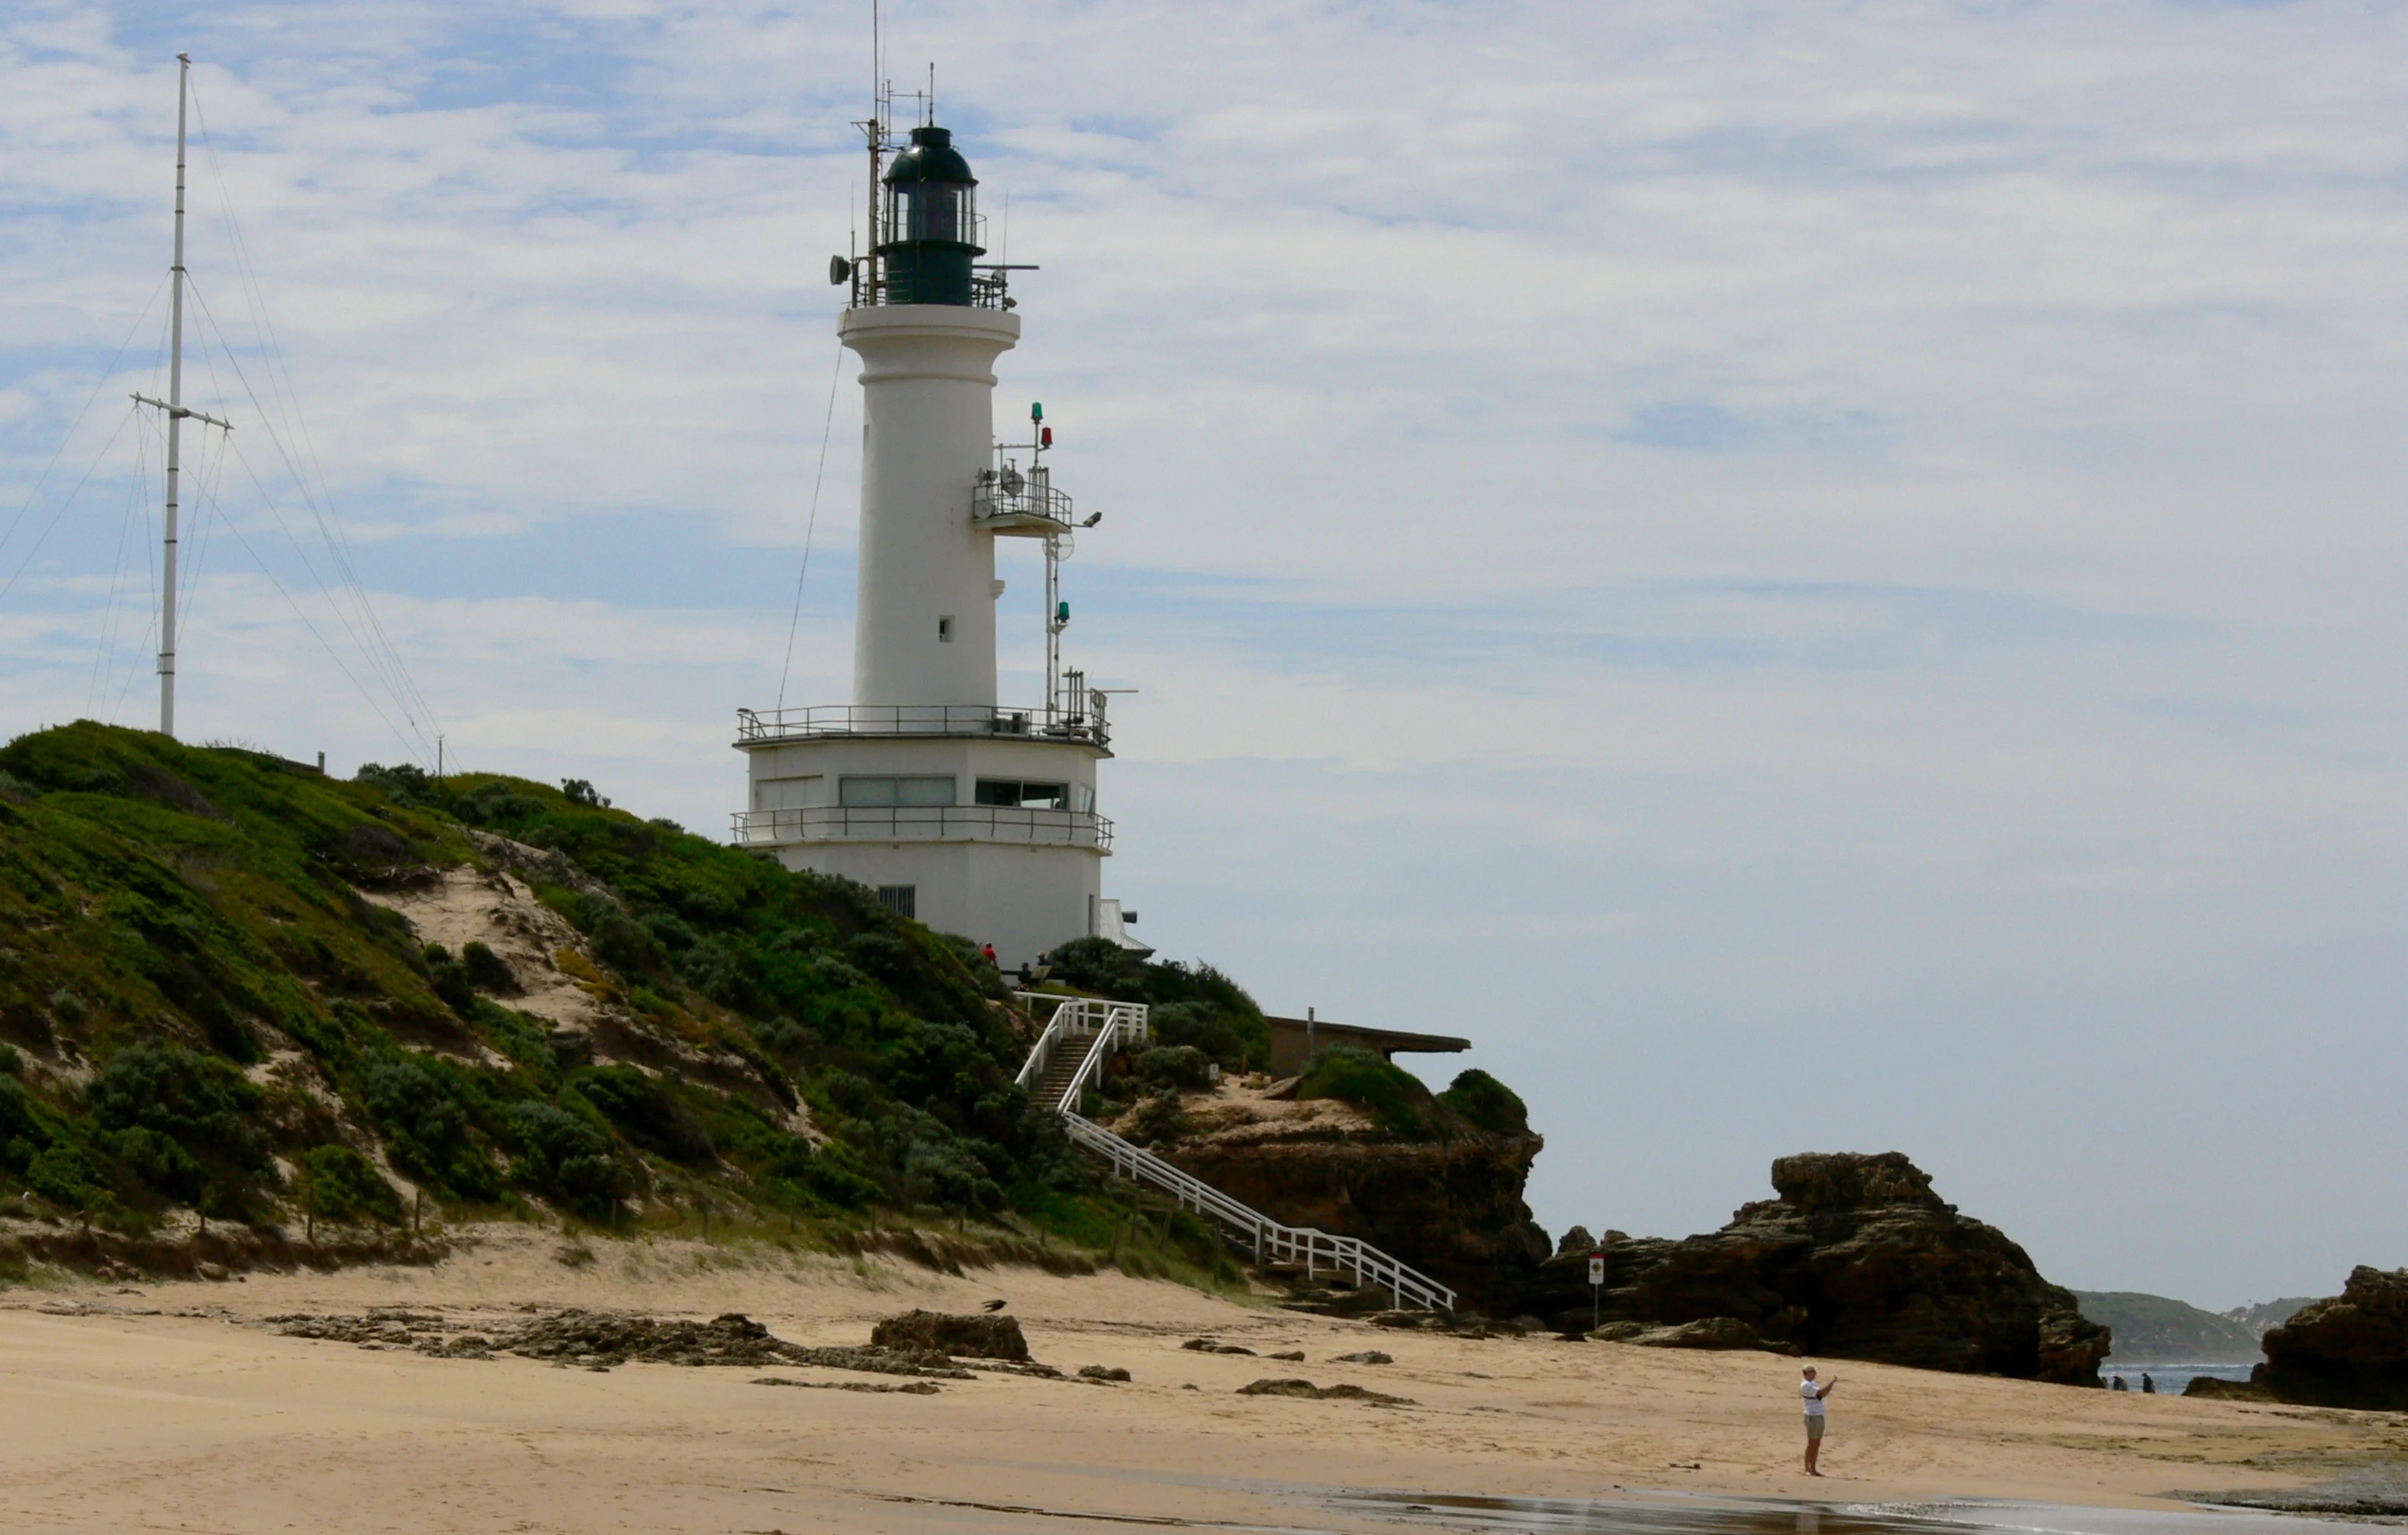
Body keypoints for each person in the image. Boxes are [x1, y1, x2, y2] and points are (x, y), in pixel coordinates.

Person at [1800, 1366, 1837, 1475]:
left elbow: (1822, 1394)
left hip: (1819, 1416)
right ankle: (1807, 1468)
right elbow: (1821, 1393)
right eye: (1813, 1372)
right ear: (1807, 1373)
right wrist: (1831, 1383)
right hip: (1812, 1416)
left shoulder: (1813, 1384)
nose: (1815, 1373)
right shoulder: (1805, 1385)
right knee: (1812, 1443)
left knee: (1817, 1444)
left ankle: (1813, 1468)